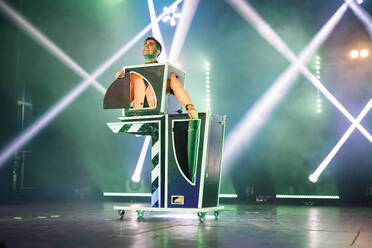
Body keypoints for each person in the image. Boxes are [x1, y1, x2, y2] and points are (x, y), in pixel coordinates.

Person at [115, 37, 198, 119]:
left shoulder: (165, 72)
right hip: (138, 118)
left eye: (150, 44)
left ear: (158, 52)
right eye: (145, 44)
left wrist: (189, 107)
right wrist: (121, 81)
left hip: (157, 117)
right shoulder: (135, 75)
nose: (146, 46)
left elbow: (179, 90)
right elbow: (126, 98)